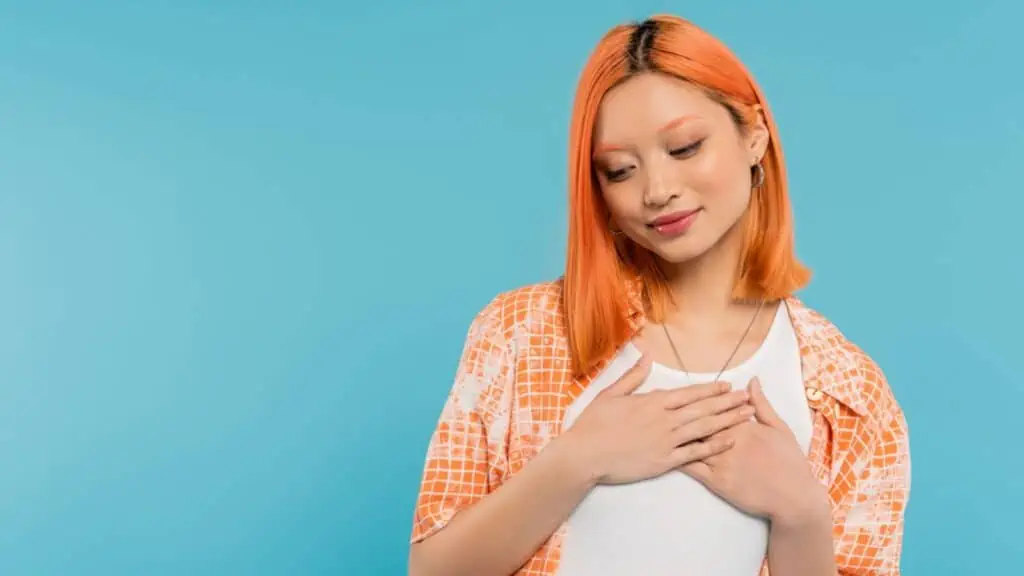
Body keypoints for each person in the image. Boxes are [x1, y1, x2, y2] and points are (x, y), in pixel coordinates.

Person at [407, 13, 910, 576]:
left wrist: (801, 514)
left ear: (754, 137)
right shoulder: (521, 332)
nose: (658, 190)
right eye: (620, 170)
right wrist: (578, 460)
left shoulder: (849, 392)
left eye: (686, 147)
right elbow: (431, 570)